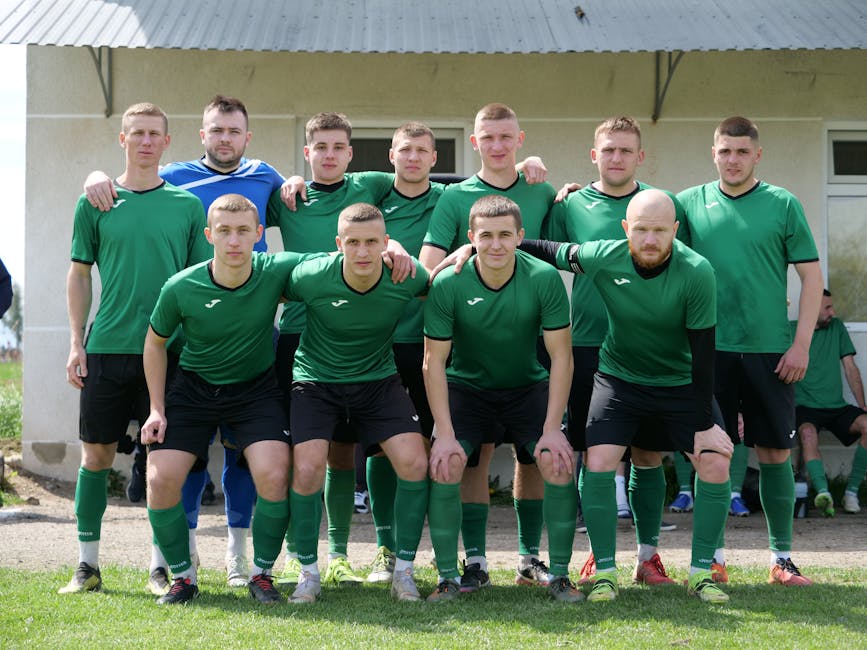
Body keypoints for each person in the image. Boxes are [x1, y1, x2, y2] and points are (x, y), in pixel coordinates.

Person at [83, 95, 291, 588]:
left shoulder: (268, 178)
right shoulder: (174, 178)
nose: (225, 138)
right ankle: (182, 556)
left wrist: (298, 180)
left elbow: (321, 210)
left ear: (247, 136)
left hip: (254, 333)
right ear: (202, 135)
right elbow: (135, 176)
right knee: (188, 455)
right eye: (216, 130)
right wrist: (95, 175)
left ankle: (242, 558)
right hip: (192, 336)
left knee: (249, 455)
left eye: (234, 131)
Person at [515, 189, 734, 603]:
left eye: (658, 231)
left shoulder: (697, 271)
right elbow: (550, 249)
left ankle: (702, 571)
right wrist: (493, 242)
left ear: (675, 230)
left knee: (715, 461)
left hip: (682, 382)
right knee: (598, 461)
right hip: (620, 380)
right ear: (625, 230)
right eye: (640, 230)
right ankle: (606, 573)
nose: (649, 240)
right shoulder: (603, 254)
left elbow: (704, 354)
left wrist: (704, 425)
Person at [141, 194, 322, 605]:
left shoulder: (274, 270)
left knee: (275, 474)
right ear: (210, 235)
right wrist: (156, 407)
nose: (234, 240)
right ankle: (183, 578)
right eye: (224, 231)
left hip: (254, 389)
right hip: (192, 388)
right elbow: (154, 343)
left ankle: (261, 573)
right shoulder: (182, 286)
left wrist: (391, 248)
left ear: (259, 235)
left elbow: (333, 259)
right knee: (159, 477)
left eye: (244, 231)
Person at [60, 102, 210, 596]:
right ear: (123, 140)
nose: (146, 141)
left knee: (160, 464)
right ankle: (87, 567)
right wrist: (76, 343)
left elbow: (197, 285)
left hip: (169, 353)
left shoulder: (188, 206)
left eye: (155, 134)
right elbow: (79, 274)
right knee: (96, 457)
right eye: (137, 133)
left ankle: (160, 568)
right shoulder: (96, 202)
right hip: (106, 349)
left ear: (167, 143)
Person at [677, 116, 824, 587]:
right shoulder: (689, 203)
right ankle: (713, 559)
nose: (733, 159)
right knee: (711, 454)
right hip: (708, 349)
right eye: (725, 151)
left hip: (769, 351)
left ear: (757, 155)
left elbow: (812, 279)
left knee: (775, 452)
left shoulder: (782, 204)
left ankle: (782, 559)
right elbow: (665, 268)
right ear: (712, 153)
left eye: (742, 151)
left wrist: (801, 344)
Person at [419, 103, 558, 591]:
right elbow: (428, 270)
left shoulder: (540, 190)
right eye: (488, 138)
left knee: (530, 456)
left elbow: (556, 251)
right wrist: (462, 251)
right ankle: (475, 562)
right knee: (473, 458)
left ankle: (528, 559)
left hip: (531, 339)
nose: (497, 146)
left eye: (506, 137)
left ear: (519, 140)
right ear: (474, 143)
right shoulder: (456, 197)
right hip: (471, 352)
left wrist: (569, 190)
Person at [268, 112, 403, 588]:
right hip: (298, 341)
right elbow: (223, 208)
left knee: (343, 456)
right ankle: (294, 554)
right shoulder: (282, 194)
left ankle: (341, 553)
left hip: (359, 340)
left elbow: (433, 181)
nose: (329, 155)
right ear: (307, 152)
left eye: (337, 147)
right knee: (297, 456)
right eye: (319, 147)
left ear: (350, 152)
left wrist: (535, 168)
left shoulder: (371, 184)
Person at [546, 116, 681, 585]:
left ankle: (648, 557)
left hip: (649, 350)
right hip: (587, 344)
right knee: (591, 455)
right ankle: (595, 555)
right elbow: (539, 255)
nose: (617, 158)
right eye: (609, 150)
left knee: (647, 455)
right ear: (594, 155)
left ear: (640, 156)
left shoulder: (660, 207)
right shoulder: (570, 205)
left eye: (626, 150)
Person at [424, 195, 578, 603]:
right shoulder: (448, 282)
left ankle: (552, 571)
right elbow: (433, 362)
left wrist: (552, 428)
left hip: (527, 387)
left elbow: (562, 355)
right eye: (486, 235)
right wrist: (442, 431)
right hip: (466, 389)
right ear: (470, 237)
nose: (496, 244)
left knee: (557, 462)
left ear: (520, 237)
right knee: (446, 462)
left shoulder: (544, 277)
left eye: (505, 235)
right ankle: (454, 575)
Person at [284, 203, 430, 604]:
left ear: (386, 243)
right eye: (353, 242)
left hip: (377, 381)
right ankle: (308, 572)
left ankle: (403, 571)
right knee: (310, 467)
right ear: (338, 244)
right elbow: (262, 281)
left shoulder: (405, 275)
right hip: (316, 381)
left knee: (415, 462)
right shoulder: (311, 274)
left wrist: (466, 251)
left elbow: (446, 282)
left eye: (371, 242)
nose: (362, 251)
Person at [795, 289, 867, 515]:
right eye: (827, 307)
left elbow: (851, 368)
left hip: (835, 407)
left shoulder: (836, 327)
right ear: (811, 308)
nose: (832, 312)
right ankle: (823, 495)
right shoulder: (791, 332)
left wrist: (862, 405)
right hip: (804, 408)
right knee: (807, 433)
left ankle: (851, 493)